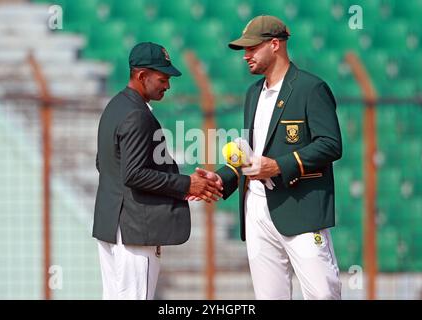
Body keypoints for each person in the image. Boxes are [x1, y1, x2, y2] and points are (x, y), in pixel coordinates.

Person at [197, 15, 343, 299]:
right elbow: (253, 155)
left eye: (252, 48)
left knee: (323, 294)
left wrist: (278, 166)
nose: (246, 56)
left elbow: (331, 144)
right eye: (244, 50)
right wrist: (222, 178)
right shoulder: (253, 94)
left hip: (300, 209)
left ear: (275, 44)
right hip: (256, 211)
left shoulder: (310, 88)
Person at [93, 42, 222, 300]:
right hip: (134, 230)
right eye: (163, 79)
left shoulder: (115, 106)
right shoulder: (137, 114)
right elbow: (133, 174)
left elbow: (103, 163)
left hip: (110, 224)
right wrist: (187, 184)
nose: (168, 85)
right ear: (142, 76)